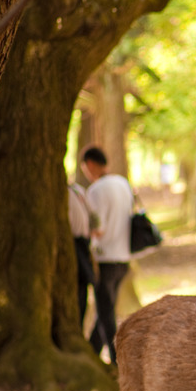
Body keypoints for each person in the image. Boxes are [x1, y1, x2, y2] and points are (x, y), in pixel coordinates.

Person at [82, 146, 134, 366]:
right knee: (106, 308)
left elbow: (97, 228)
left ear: (91, 164)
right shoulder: (123, 184)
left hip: (104, 259)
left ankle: (116, 362)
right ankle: (92, 352)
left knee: (106, 313)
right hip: (124, 257)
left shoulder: (95, 190)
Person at [68, 180, 97, 327]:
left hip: (79, 244)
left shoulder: (74, 190)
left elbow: (94, 220)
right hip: (78, 243)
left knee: (82, 287)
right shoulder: (77, 190)